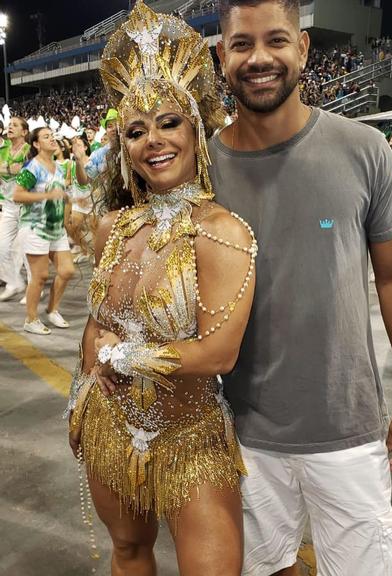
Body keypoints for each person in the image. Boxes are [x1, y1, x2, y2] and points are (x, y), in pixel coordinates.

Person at [210, 1, 392, 575]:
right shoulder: (202, 172)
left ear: (302, 49)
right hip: (241, 432)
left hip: (348, 431)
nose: (259, 58)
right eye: (241, 45)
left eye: (276, 41)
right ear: (222, 56)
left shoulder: (364, 150)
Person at [66, 3, 257, 574]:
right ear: (123, 146)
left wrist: (122, 355)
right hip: (107, 420)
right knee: (128, 551)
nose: (153, 140)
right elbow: (97, 321)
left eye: (168, 122)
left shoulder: (222, 233)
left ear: (195, 127)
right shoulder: (111, 227)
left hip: (189, 435)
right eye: (136, 130)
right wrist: (86, 386)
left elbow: (218, 353)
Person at [13, 127, 75, 335]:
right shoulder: (32, 168)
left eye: (52, 135)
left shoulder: (58, 167)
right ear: (37, 144)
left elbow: (61, 195)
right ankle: (30, 319)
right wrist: (46, 197)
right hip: (34, 227)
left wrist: (66, 210)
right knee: (39, 276)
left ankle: (52, 310)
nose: (52, 139)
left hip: (56, 228)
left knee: (67, 271)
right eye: (46, 137)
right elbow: (18, 196)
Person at [0, 117, 30, 301]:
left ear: (25, 132)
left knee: (27, 249)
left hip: (28, 207)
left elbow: (26, 171)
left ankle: (34, 288)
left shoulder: (29, 150)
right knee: (2, 247)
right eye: (9, 125)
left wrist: (5, 169)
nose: (10, 127)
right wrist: (11, 168)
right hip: (9, 206)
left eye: (15, 125)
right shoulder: (2, 152)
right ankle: (14, 283)